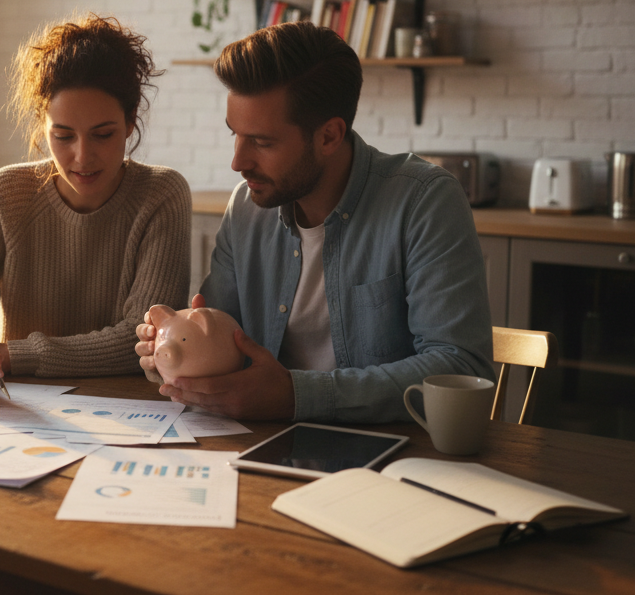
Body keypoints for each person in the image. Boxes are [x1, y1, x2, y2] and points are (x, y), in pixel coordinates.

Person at [135, 22, 493, 422]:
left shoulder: (423, 201)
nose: (238, 162)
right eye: (235, 135)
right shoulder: (247, 210)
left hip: (393, 458)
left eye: (263, 142)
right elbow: (216, 342)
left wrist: (297, 396)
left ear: (328, 137)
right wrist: (171, 354)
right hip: (261, 444)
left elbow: (459, 367)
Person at [0, 14, 191, 397]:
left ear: (130, 121)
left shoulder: (162, 194)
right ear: (42, 126)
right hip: (14, 407)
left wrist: (17, 355)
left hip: (124, 407)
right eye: (63, 135)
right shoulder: (5, 192)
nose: (82, 156)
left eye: (103, 134)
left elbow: (146, 341)